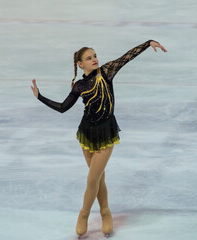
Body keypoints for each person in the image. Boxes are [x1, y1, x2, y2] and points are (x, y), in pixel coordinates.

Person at [30, 40, 167, 236]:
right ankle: (105, 212)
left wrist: (148, 43)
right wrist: (39, 96)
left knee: (92, 179)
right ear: (80, 64)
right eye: (89, 58)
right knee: (99, 178)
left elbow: (126, 57)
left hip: (106, 132)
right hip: (86, 133)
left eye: (95, 56)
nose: (94, 59)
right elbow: (62, 108)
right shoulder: (79, 86)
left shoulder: (106, 72)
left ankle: (83, 214)